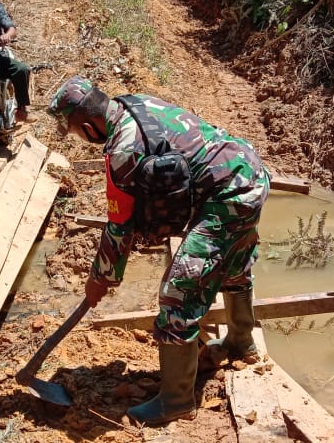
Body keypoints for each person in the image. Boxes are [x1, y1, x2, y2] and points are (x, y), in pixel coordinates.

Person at [46, 76, 271, 426]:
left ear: (89, 126)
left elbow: (118, 227)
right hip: (246, 170)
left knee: (179, 293)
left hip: (229, 194)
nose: (79, 139)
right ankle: (241, 342)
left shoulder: (122, 150)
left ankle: (177, 401)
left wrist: (100, 278)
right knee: (233, 261)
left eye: (75, 132)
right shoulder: (132, 104)